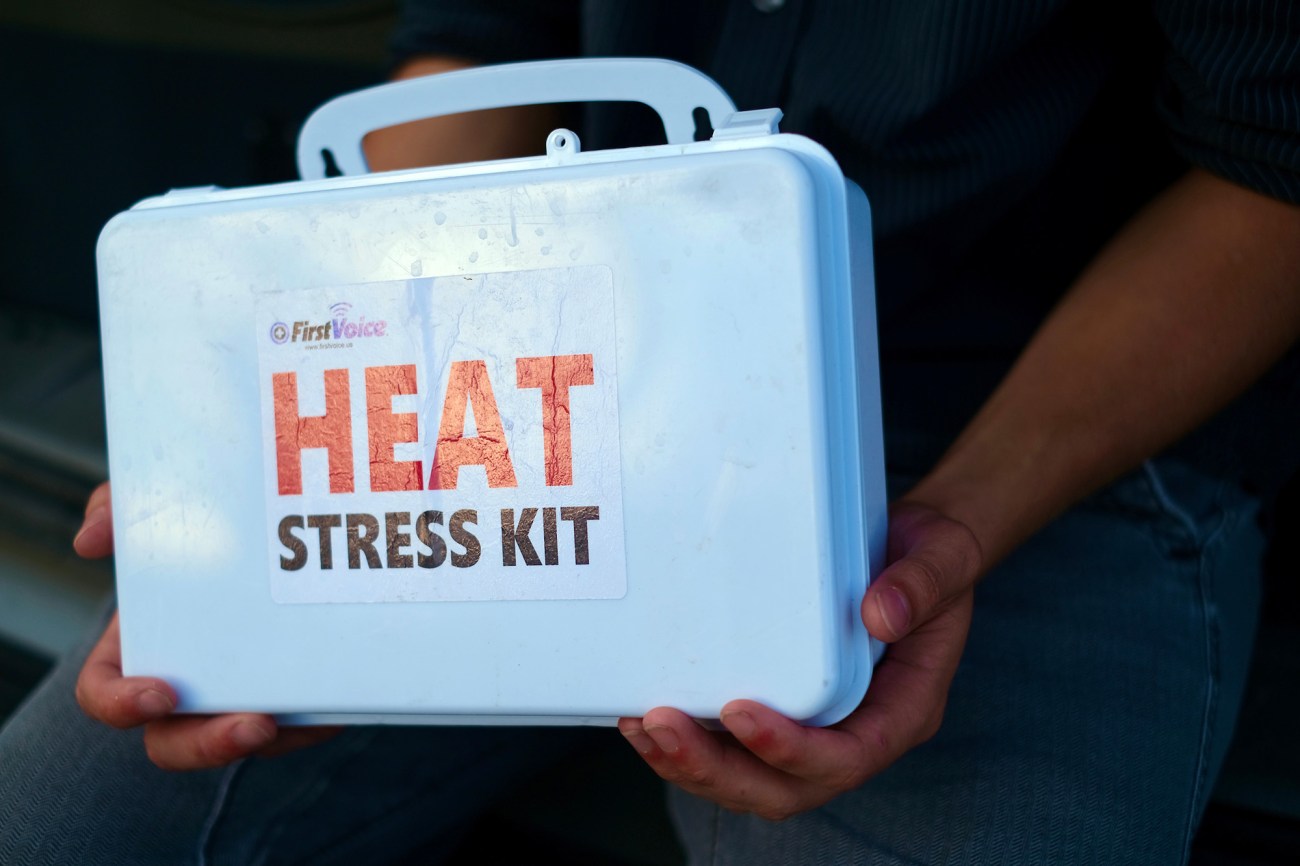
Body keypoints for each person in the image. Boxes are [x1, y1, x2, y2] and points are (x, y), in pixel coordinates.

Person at [3, 1, 1298, 863]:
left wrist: (951, 534)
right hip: (544, 389)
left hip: (1040, 433)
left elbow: (1272, 155)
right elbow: (482, 38)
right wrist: (348, 392)